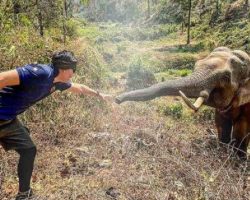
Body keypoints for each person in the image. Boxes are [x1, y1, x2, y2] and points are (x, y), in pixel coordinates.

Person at [0, 50, 112, 199]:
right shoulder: (40, 73)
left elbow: (79, 88)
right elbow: (2, 78)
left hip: (8, 121)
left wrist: (100, 95)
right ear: (64, 68)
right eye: (73, 68)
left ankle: (23, 194)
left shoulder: (58, 82)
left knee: (29, 150)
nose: (74, 72)